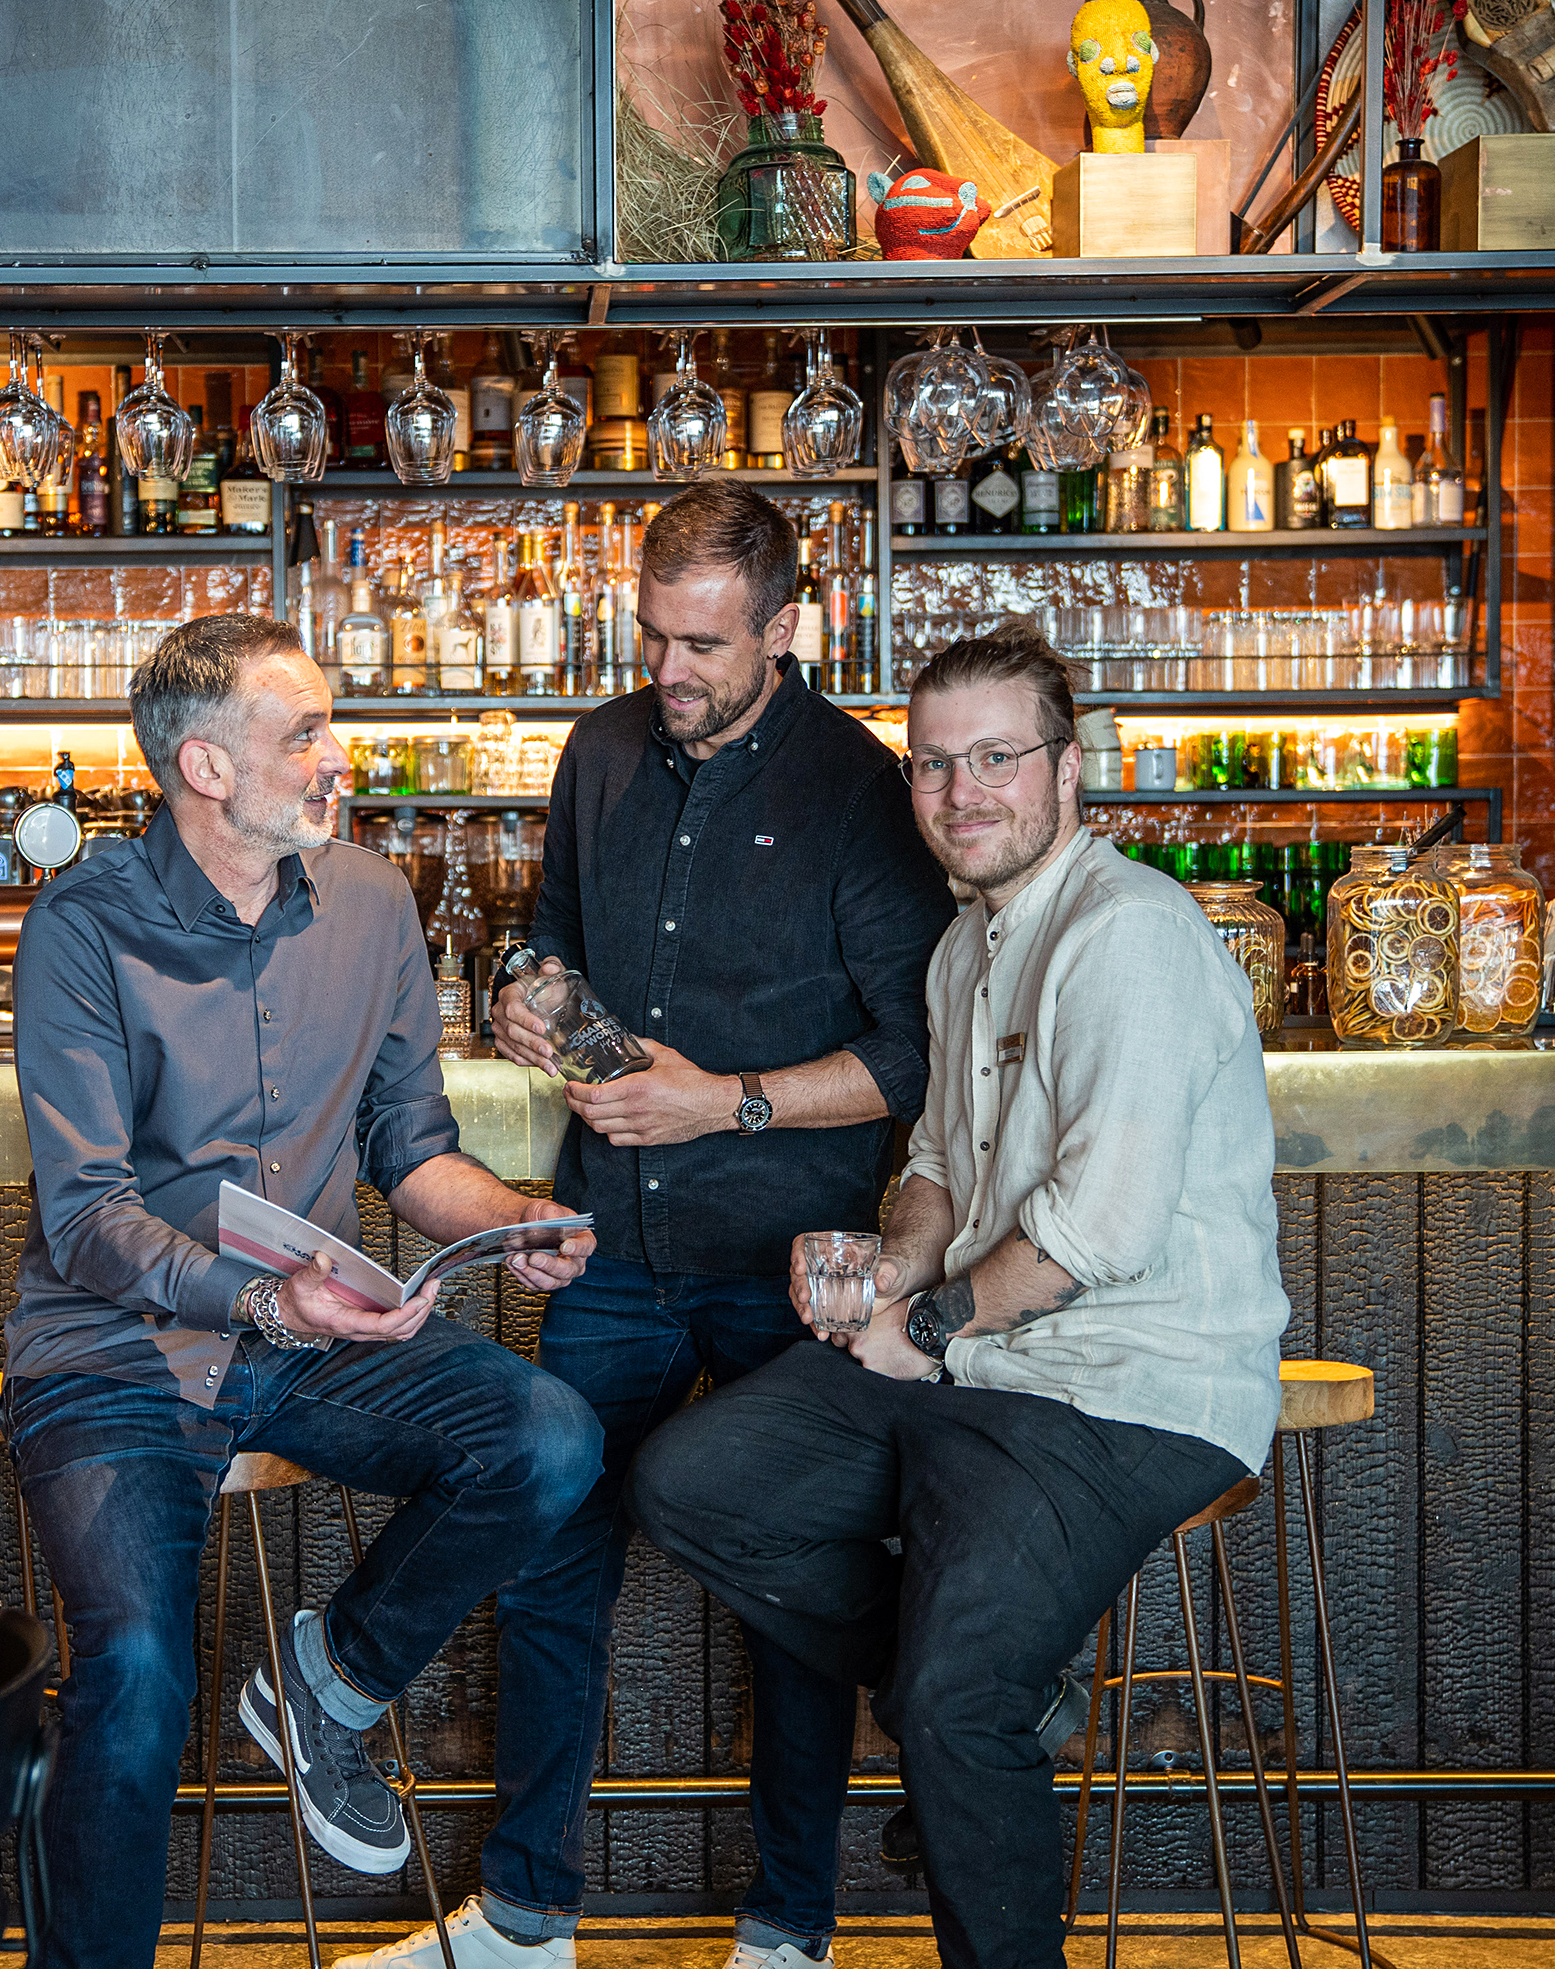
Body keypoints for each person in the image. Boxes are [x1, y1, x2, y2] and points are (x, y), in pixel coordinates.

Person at [344, 481, 954, 1969]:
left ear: (785, 627)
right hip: (607, 1240)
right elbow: (550, 932)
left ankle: (787, 1927)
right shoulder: (603, 748)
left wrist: (726, 1103)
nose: (668, 670)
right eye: (651, 633)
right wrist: (533, 994)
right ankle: (527, 1917)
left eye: (701, 644)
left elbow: (913, 1050)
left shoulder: (863, 790)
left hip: (782, 1262)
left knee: (789, 1599)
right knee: (552, 1567)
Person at [628, 626, 1291, 1969]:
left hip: (1127, 1388)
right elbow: (933, 1162)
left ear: (1066, 764)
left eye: (996, 757)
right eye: (933, 763)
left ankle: (972, 1705)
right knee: (690, 1482)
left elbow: (1095, 1231)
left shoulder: (1129, 936)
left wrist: (923, 1326)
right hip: (984, 1363)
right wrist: (899, 1262)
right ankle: (997, 1695)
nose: (960, 792)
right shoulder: (963, 947)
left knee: (950, 1697)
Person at [2, 612, 602, 1969]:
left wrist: (514, 1221)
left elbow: (413, 1150)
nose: (341, 755)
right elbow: (86, 1216)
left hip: (312, 1336)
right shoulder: (81, 926)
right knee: (139, 1677)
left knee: (549, 1437)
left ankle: (328, 1681)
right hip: (116, 1351)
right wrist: (268, 1303)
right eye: (307, 733)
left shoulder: (377, 904)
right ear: (204, 768)